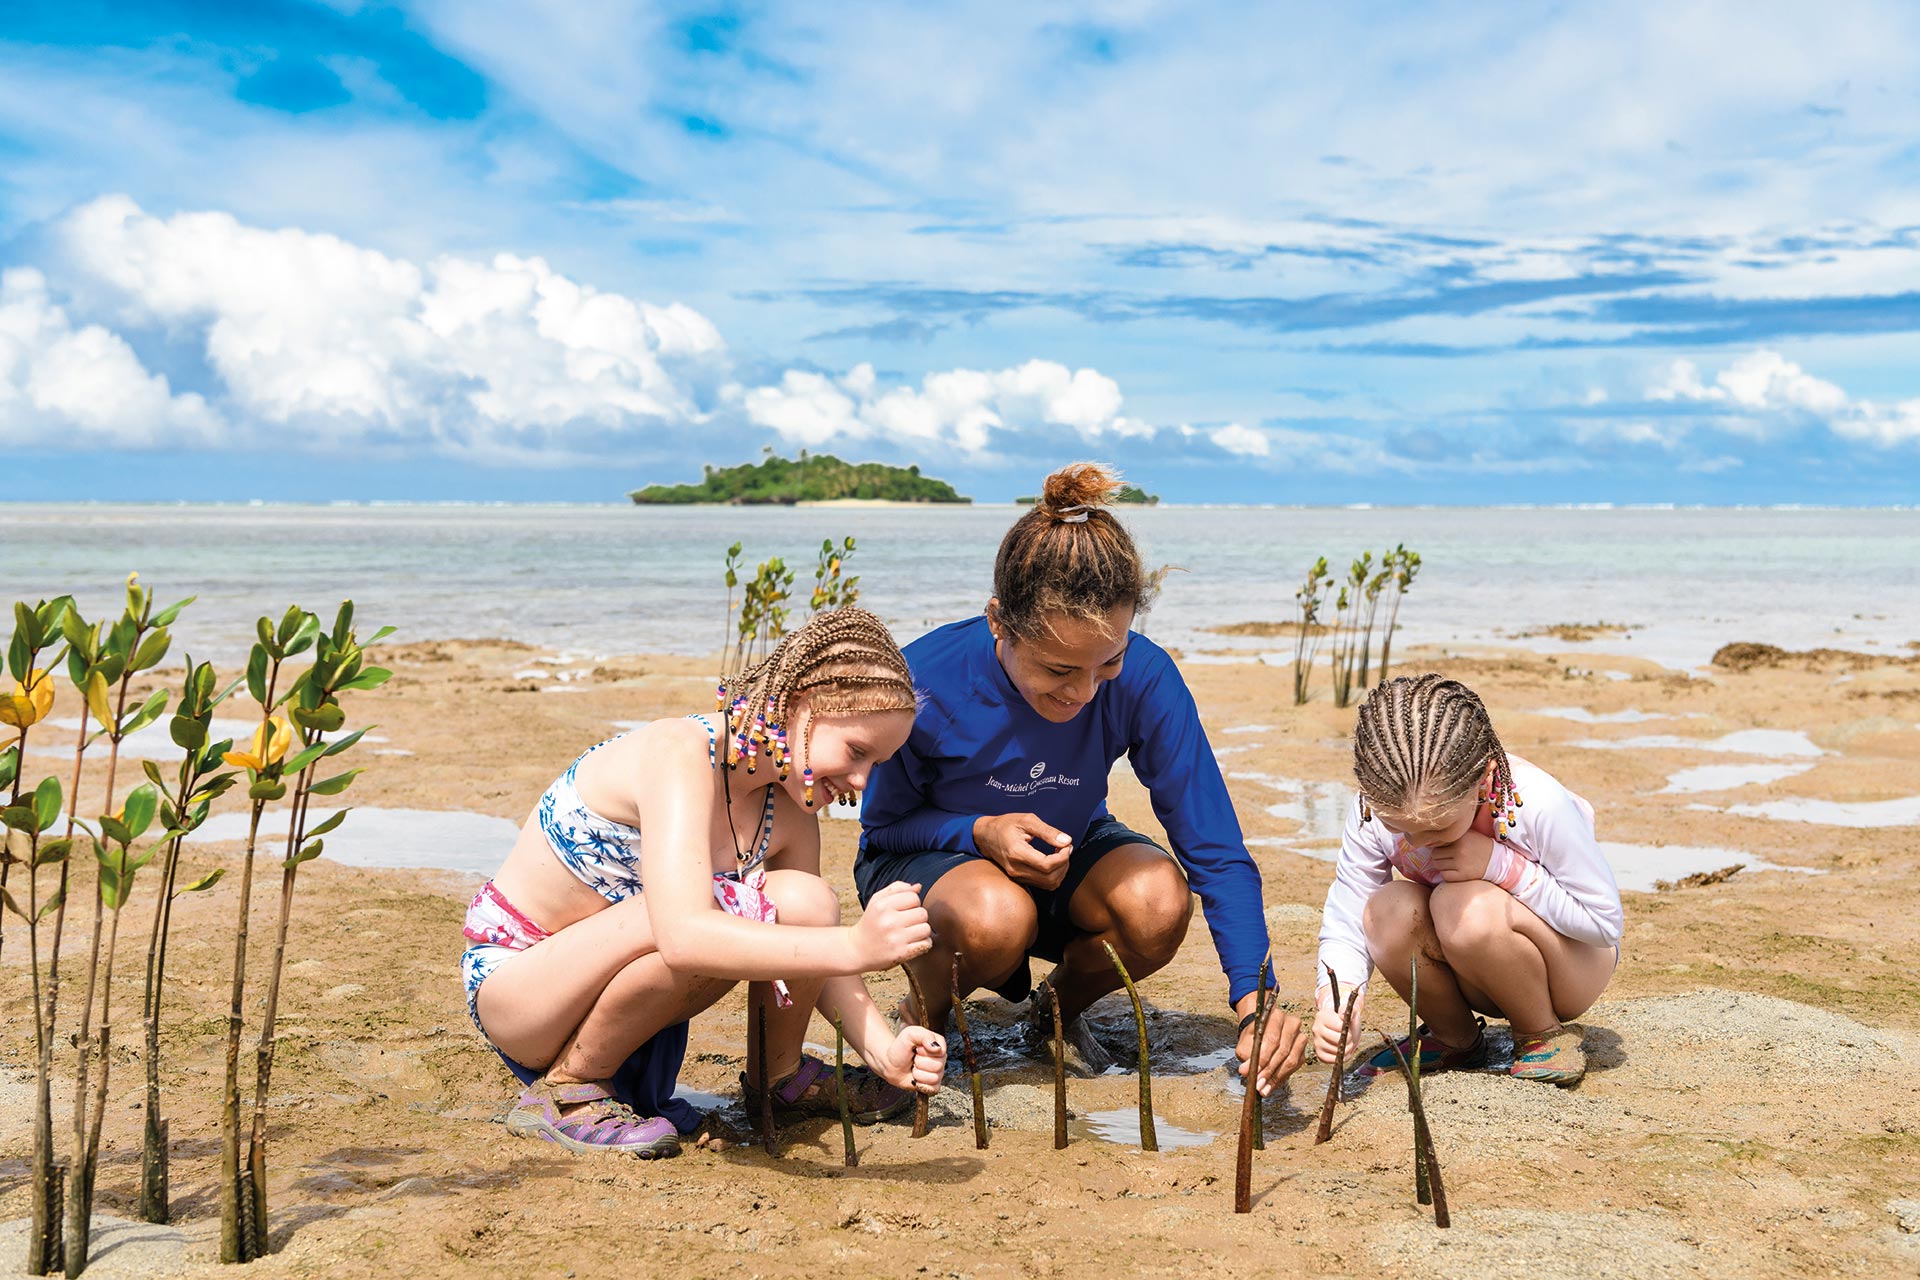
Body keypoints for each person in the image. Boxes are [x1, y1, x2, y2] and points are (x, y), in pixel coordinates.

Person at [857, 462, 1307, 1098]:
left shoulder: (1146, 679)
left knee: (1158, 902)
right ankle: (921, 1021)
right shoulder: (926, 683)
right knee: (995, 916)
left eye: (1109, 662)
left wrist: (1255, 1001)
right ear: (998, 622)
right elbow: (882, 833)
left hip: (1066, 853)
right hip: (932, 861)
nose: (1084, 693)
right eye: (1058, 669)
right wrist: (979, 831)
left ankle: (1055, 1014)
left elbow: (1216, 848)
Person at [460, 607, 948, 1156]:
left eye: (877, 764)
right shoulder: (679, 754)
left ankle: (780, 1079)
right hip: (524, 992)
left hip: (625, 1000)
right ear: (800, 703)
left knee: (806, 900)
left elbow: (811, 944)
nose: (861, 781)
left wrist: (884, 1051)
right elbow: (683, 934)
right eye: (857, 752)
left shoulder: (788, 809)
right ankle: (568, 1090)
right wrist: (860, 944)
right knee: (713, 911)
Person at [1313, 673, 1624, 1085]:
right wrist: (1338, 998)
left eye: (1437, 829)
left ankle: (1540, 1033)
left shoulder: (1538, 803)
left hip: (1569, 969)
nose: (1415, 841)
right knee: (1382, 909)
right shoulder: (1376, 807)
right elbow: (1350, 906)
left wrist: (1501, 865)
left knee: (1461, 905)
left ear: (1484, 780)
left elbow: (1604, 925)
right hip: (1465, 962)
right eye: (1399, 827)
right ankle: (1454, 1037)